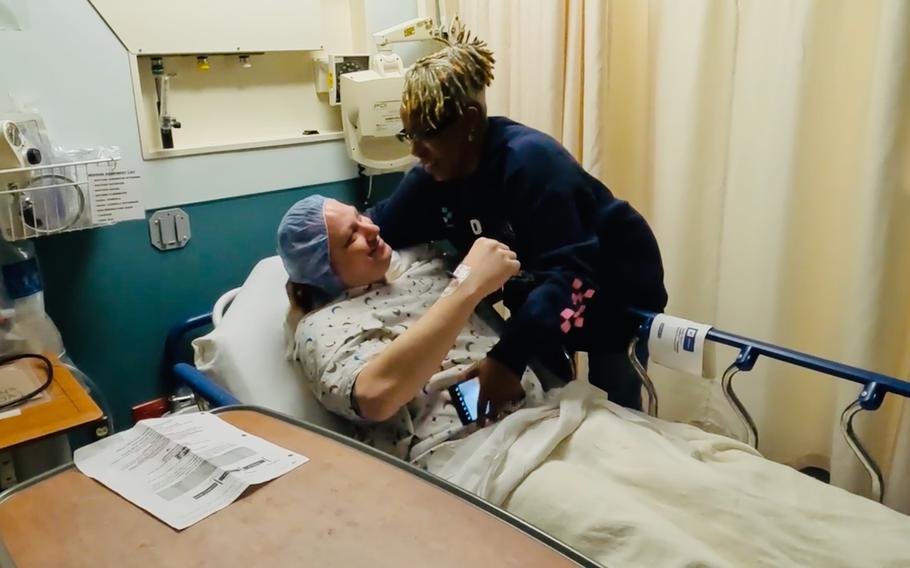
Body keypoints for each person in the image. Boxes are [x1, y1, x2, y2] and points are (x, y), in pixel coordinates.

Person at [366, 20, 668, 415]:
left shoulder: (531, 163)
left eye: (429, 133)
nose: (418, 151)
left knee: (615, 399)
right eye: (409, 135)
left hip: (614, 281)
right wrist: (312, 265)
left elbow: (574, 274)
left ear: (471, 120)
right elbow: (378, 227)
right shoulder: (431, 177)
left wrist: (508, 359)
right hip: (545, 286)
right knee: (550, 393)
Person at [277, 194, 545, 466]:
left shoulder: (423, 264)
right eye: (351, 237)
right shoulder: (322, 325)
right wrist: (466, 286)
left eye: (359, 216)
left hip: (543, 414)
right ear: (324, 271)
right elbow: (375, 396)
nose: (372, 229)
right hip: (472, 453)